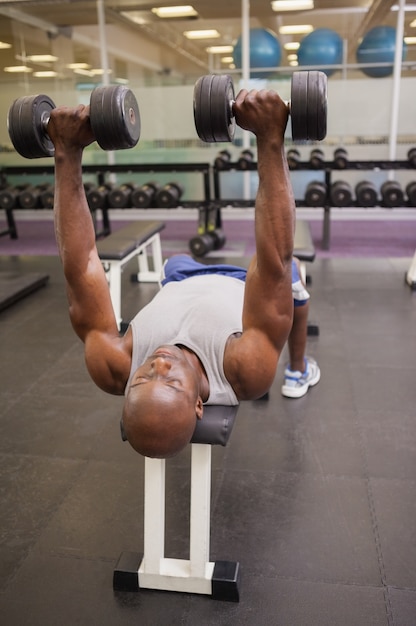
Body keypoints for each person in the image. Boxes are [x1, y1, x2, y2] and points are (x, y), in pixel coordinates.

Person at [47, 87, 320, 460]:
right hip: (242, 286)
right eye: (172, 381)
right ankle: (300, 369)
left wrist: (66, 153)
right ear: (198, 407)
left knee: (175, 263)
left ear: (128, 389)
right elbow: (272, 259)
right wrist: (270, 137)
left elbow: (80, 266)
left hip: (180, 277)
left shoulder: (113, 366)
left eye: (144, 378)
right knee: (291, 280)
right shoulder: (243, 369)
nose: (158, 363)